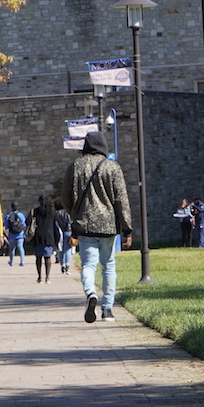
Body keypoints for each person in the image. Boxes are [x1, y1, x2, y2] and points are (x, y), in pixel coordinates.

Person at [65, 132, 133, 323]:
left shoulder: (75, 166)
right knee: (108, 265)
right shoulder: (112, 167)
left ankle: (90, 293)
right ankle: (107, 309)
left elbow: (66, 197)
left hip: (85, 225)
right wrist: (127, 228)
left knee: (88, 265)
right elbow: (121, 199)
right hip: (108, 225)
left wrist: (75, 214)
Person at [30, 195, 56, 283]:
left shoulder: (36, 211)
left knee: (38, 258)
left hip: (38, 236)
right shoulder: (52, 212)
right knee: (47, 258)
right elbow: (55, 226)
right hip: (48, 237)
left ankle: (39, 277)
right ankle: (47, 277)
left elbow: (28, 222)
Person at [54, 202, 73, 274]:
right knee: (68, 249)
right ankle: (67, 264)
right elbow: (70, 222)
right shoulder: (67, 212)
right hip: (68, 231)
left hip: (60, 231)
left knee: (60, 249)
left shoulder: (56, 213)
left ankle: (62, 264)